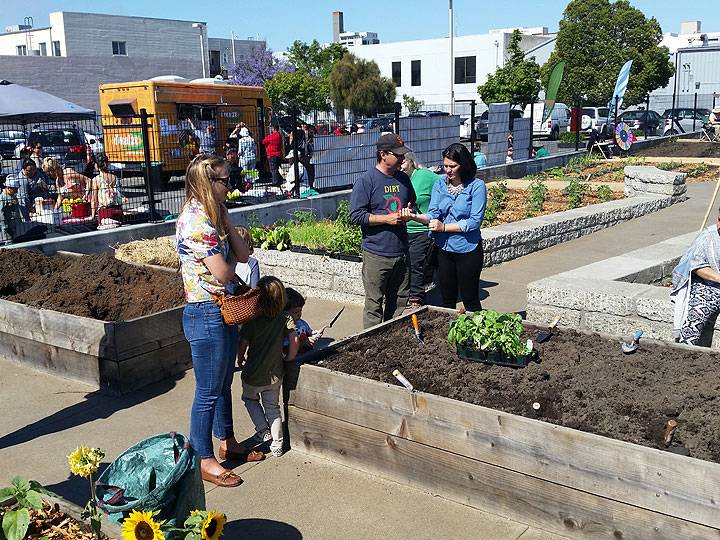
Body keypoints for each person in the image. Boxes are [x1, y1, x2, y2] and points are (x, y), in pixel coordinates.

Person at [176, 153, 261, 488]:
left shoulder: (214, 216)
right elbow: (226, 272)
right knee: (208, 391)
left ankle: (227, 441)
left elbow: (243, 256)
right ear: (207, 183)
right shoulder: (197, 222)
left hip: (220, 309)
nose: (230, 184)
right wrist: (220, 222)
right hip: (206, 313)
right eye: (225, 180)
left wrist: (226, 220)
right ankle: (203, 458)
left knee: (223, 383)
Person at [405, 143, 486, 312]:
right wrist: (414, 217)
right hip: (444, 249)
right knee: (447, 299)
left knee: (469, 298)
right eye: (445, 165)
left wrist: (444, 228)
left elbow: (474, 222)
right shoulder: (440, 184)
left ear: (463, 165)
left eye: (452, 166)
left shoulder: (476, 186)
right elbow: (432, 213)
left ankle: (476, 334)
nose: (447, 170)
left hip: (468, 249)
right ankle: (450, 333)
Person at [350, 133, 416, 328]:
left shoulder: (403, 178)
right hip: (377, 254)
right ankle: (372, 346)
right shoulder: (366, 181)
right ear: (383, 154)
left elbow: (412, 203)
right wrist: (387, 219)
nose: (403, 159)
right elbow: (356, 215)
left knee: (399, 303)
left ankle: (393, 341)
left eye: (403, 154)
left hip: (401, 252)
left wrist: (408, 211)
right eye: (398, 155)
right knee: (374, 306)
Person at [237, 276, 299, 458]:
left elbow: (243, 343)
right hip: (275, 373)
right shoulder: (284, 317)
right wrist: (290, 357)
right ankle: (278, 444)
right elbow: (294, 339)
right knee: (273, 407)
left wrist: (240, 359)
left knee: (250, 400)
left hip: (253, 373)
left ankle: (263, 430)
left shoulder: (252, 320)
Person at [671, 209, 720, 346]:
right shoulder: (707, 238)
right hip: (709, 286)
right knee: (696, 312)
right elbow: (697, 266)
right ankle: (686, 352)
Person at [400, 152, 439, 308]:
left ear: (410, 161)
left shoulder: (424, 176)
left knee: (416, 262)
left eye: (402, 161)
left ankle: (416, 299)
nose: (400, 165)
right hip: (403, 229)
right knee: (404, 264)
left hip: (422, 228)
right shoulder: (397, 179)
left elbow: (444, 185)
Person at [90, 153, 127, 224]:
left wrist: (93, 215)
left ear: (97, 165)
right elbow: (120, 194)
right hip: (118, 209)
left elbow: (94, 200)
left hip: (105, 211)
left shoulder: (96, 179)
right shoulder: (115, 177)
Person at [284, 287, 320, 353]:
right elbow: (286, 349)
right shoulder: (286, 329)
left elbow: (309, 331)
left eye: (300, 311)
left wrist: (314, 333)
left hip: (306, 353)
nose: (299, 314)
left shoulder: (301, 323)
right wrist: (303, 343)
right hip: (296, 358)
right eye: (295, 312)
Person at [301, 124, 316, 189]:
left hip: (308, 156)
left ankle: (311, 185)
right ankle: (310, 185)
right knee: (310, 172)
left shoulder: (309, 136)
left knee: (310, 172)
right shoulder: (304, 136)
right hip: (307, 156)